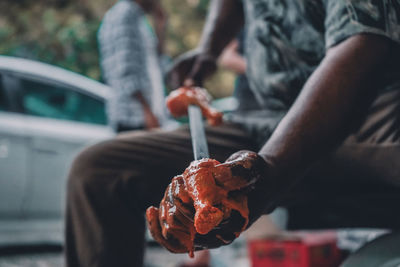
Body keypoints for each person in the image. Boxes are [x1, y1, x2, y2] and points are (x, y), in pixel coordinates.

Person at [65, 0, 400, 266]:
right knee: (98, 171)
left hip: (370, 113)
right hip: (259, 118)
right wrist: (209, 50)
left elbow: (364, 42)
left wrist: (269, 173)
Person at [97, 0, 169, 132]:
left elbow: (158, 65)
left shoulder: (137, 19)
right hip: (134, 117)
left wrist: (160, 26)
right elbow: (125, 69)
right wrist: (147, 111)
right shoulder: (125, 15)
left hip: (144, 115)